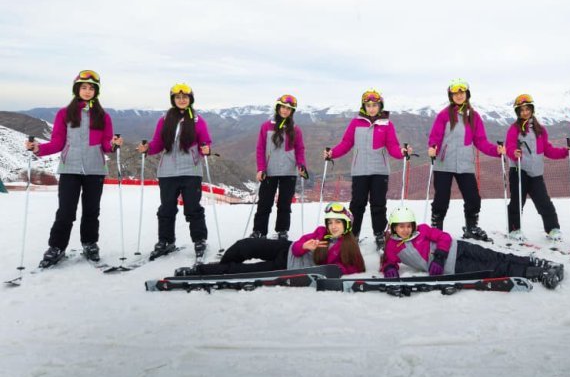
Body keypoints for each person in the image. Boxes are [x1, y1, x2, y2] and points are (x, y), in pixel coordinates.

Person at [27, 70, 122, 267]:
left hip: (95, 169)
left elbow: (106, 145)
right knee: (66, 211)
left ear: (96, 92)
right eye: (84, 87)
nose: (87, 91)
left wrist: (113, 144)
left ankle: (89, 244)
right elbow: (57, 143)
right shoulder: (65, 113)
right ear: (77, 89)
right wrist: (38, 148)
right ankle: (57, 247)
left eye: (91, 88)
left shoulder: (103, 116)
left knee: (91, 211)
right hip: (69, 168)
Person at [381, 207, 564, 288]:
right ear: (394, 227)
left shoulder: (422, 230)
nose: (405, 230)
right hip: (454, 267)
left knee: (497, 256)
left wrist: (439, 256)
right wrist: (389, 268)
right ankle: (536, 273)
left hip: (458, 248)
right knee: (496, 268)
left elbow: (443, 237)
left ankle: (540, 262)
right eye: (401, 226)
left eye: (408, 225)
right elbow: (389, 261)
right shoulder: (393, 247)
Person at [175, 202, 365, 276]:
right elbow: (298, 246)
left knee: (242, 271)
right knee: (245, 246)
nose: (333, 226)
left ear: (346, 225)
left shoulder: (348, 246)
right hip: (286, 249)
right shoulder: (321, 232)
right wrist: (305, 246)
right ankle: (221, 266)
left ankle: (201, 271)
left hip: (286, 266)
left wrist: (337, 269)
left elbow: (355, 267)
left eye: (337, 223)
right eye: (330, 222)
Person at [325, 89, 410, 251]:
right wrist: (332, 153)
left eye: (375, 105)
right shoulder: (356, 123)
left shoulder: (387, 124)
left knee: (378, 204)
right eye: (368, 105)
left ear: (380, 106)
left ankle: (379, 234)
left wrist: (401, 153)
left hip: (380, 170)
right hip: (360, 171)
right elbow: (346, 143)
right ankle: (352, 235)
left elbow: (392, 146)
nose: (371, 108)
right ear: (364, 106)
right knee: (357, 204)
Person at [136, 83, 212, 261]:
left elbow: (205, 142)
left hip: (191, 170)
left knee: (193, 207)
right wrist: (147, 149)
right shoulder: (164, 120)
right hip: (168, 171)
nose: (182, 100)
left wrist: (205, 149)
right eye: (178, 97)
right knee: (166, 208)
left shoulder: (198, 120)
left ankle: (199, 240)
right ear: (173, 100)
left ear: (190, 99)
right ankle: (165, 241)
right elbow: (158, 143)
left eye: (185, 97)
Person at [427, 78, 505, 241]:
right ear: (451, 96)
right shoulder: (444, 115)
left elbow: (481, 141)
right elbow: (435, 136)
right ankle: (436, 230)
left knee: (473, 198)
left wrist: (497, 151)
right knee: (441, 199)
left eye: (461, 92)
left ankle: (471, 228)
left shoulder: (474, 117)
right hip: (443, 163)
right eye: (455, 93)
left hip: (465, 164)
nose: (459, 95)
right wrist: (433, 147)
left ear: (467, 94)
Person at [505, 93, 570, 240]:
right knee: (517, 201)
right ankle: (514, 229)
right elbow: (509, 146)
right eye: (521, 110)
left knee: (544, 201)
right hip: (519, 170)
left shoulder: (540, 130)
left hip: (536, 173)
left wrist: (563, 153)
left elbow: (547, 149)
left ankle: (552, 228)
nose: (525, 112)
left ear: (532, 109)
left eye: (527, 109)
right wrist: (513, 152)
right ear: (517, 112)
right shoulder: (514, 129)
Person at [251, 94, 307, 240]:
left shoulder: (296, 129)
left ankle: (282, 230)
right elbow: (260, 149)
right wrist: (261, 168)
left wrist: (301, 165)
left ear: (292, 111)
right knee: (264, 203)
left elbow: (300, 149)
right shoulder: (266, 126)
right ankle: (259, 231)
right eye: (283, 107)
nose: (285, 110)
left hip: (289, 171)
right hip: (269, 171)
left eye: (289, 109)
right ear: (277, 107)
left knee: (284, 204)